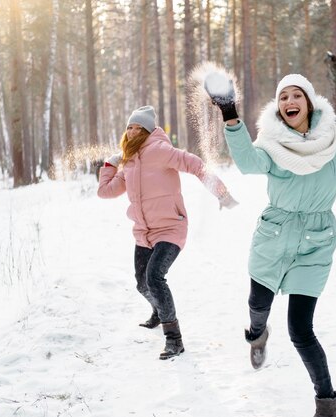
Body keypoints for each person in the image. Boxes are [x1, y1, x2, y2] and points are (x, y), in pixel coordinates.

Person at [205, 74, 336, 416]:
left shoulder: (334, 144)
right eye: (283, 97)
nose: (289, 102)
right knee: (257, 303)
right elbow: (247, 163)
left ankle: (327, 402)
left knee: (300, 329)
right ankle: (257, 334)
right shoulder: (272, 145)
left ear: (309, 102)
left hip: (315, 244)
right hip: (274, 235)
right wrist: (229, 111)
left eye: (296, 96)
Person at [98, 105, 237, 360]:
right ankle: (158, 311)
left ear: (147, 130)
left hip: (171, 228)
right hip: (143, 232)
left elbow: (195, 165)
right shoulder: (128, 162)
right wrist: (111, 163)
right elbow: (105, 191)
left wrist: (221, 192)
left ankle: (174, 339)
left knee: (154, 278)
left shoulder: (161, 151)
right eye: (128, 127)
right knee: (142, 283)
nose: (130, 132)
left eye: (136, 127)